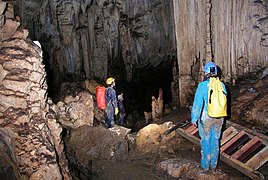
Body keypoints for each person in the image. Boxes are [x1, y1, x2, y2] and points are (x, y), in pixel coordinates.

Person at [191, 62, 227, 173]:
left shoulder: (203, 86)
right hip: (220, 117)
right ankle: (214, 166)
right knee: (215, 140)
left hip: (207, 118)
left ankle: (205, 166)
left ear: (206, 73)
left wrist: (194, 118)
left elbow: (197, 104)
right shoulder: (222, 85)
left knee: (205, 140)